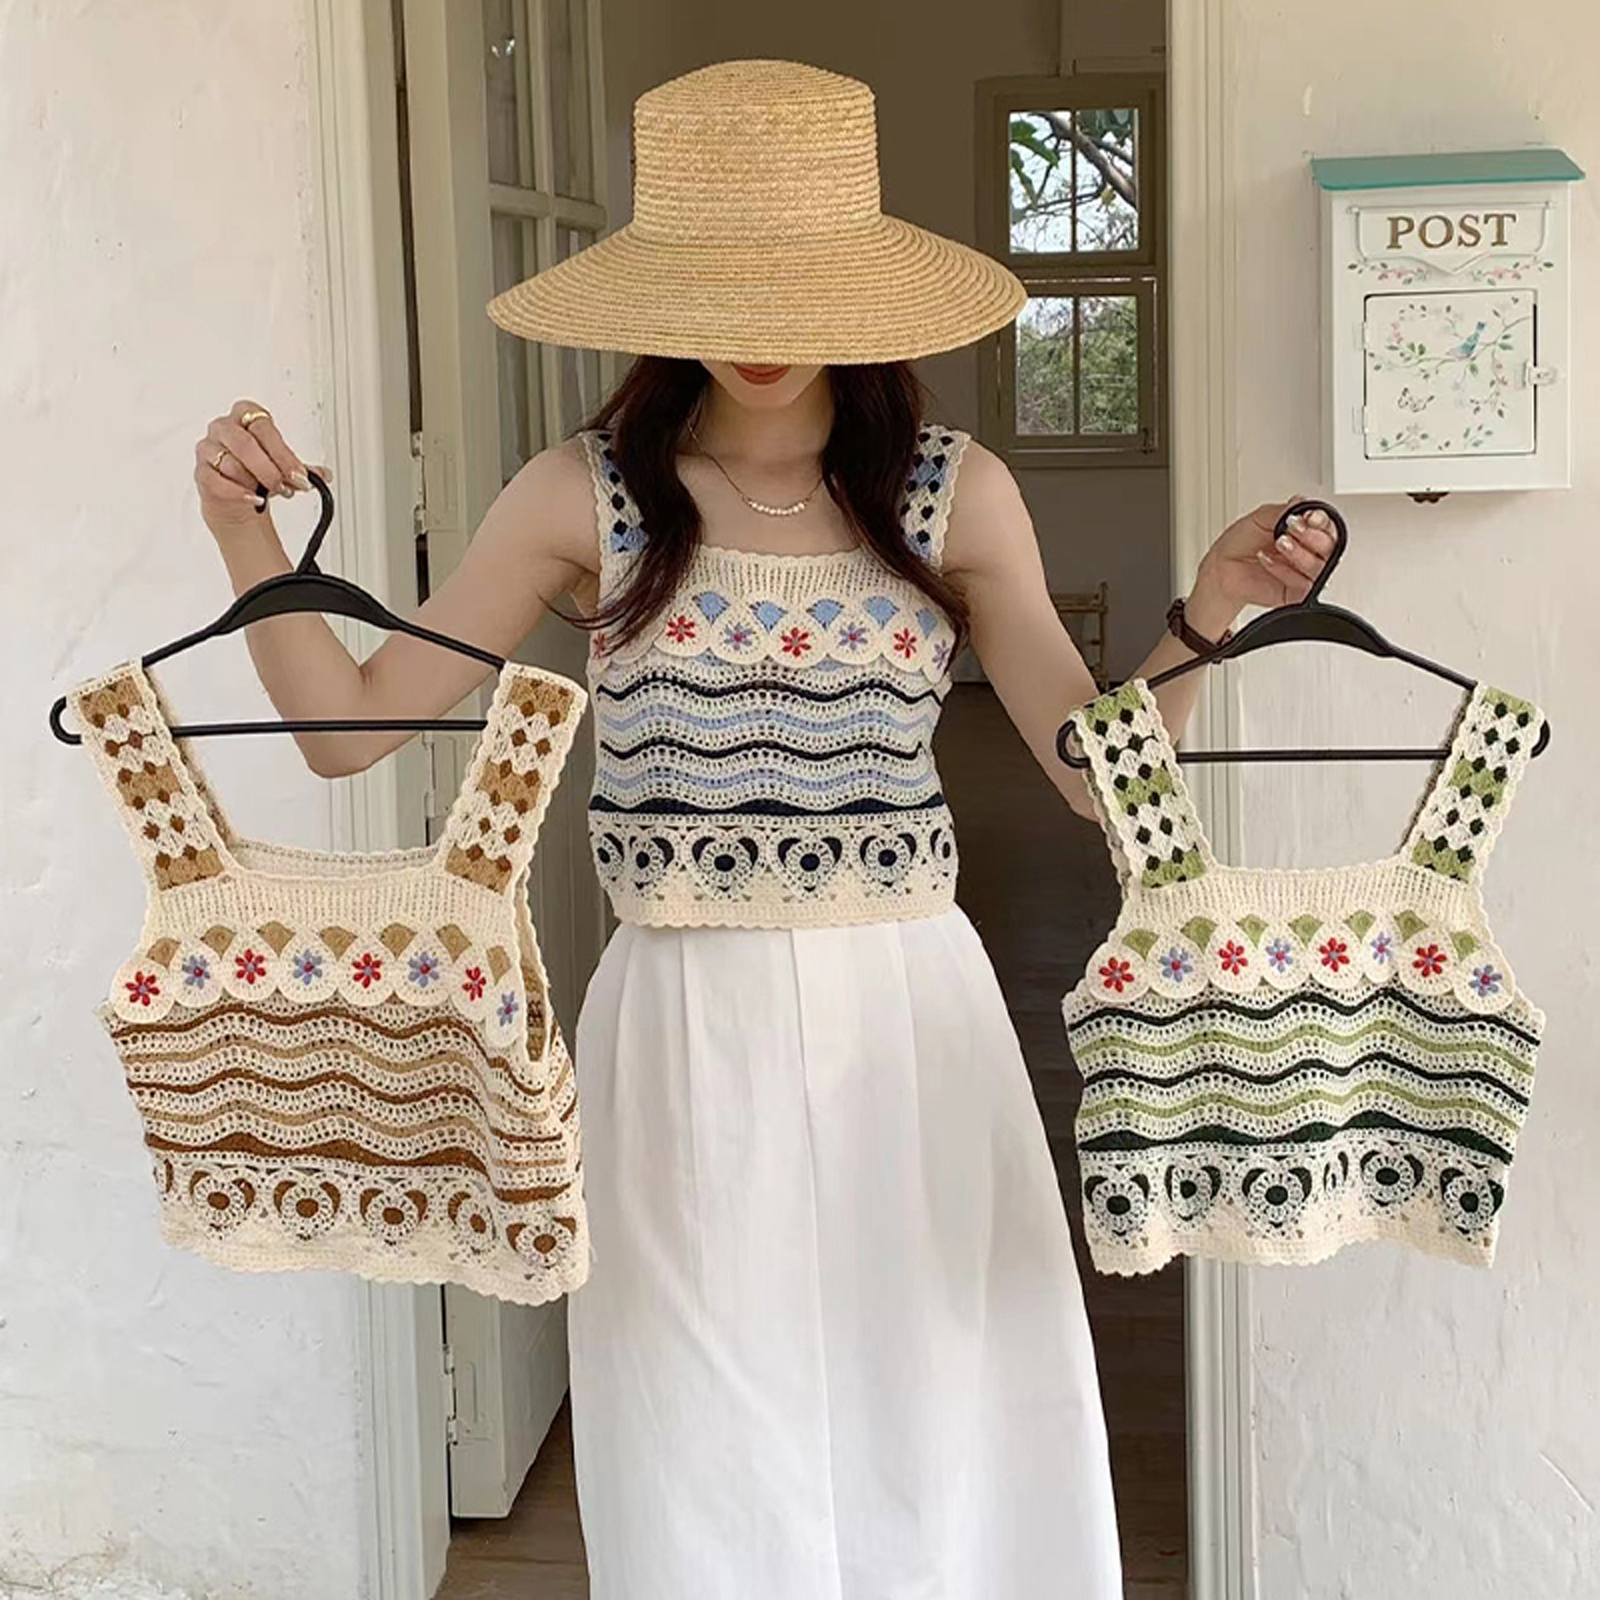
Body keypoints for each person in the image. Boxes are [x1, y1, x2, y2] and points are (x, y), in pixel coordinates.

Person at [190, 57, 1330, 1600]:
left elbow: (1094, 775)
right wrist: (245, 532)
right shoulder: (581, 497)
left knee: (938, 1396)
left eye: (795, 282)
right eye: (723, 284)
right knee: (701, 1418)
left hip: (909, 1012)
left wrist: (1212, 611)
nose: (761, 325)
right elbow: (346, 725)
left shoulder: (952, 493)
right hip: (683, 1018)